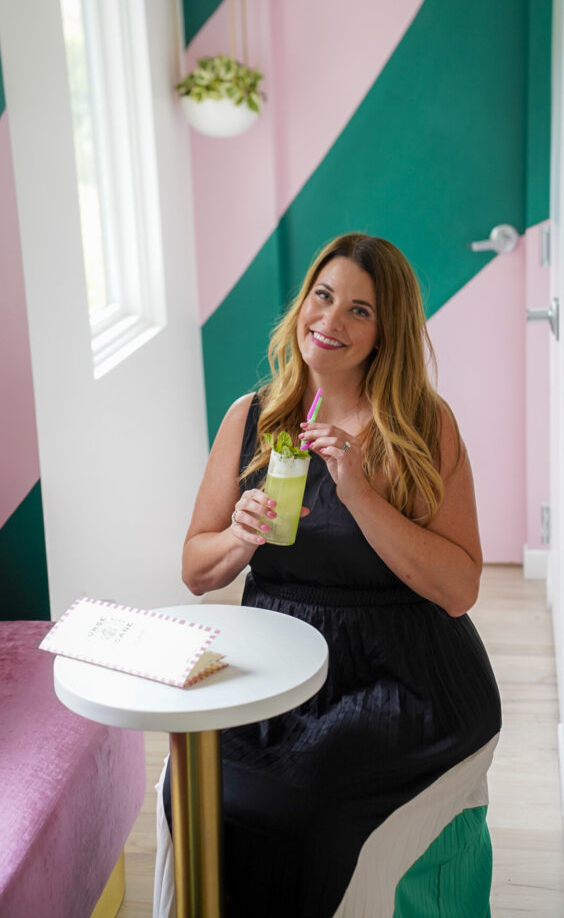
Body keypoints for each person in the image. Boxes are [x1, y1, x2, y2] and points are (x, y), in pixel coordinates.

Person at [158, 233, 501, 918]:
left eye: (360, 311)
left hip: (400, 673)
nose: (330, 321)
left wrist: (359, 493)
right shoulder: (252, 418)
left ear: (386, 333)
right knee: (196, 791)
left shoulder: (422, 427)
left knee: (312, 817)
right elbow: (195, 569)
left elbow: (459, 588)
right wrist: (239, 535)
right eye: (323, 296)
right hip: (275, 662)